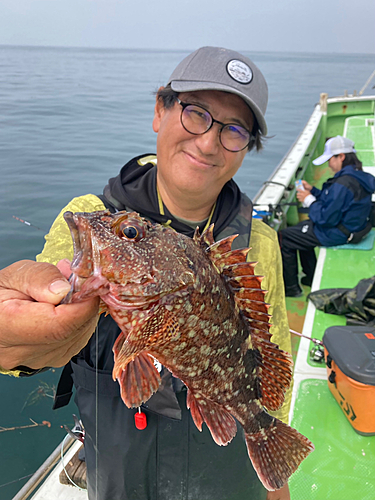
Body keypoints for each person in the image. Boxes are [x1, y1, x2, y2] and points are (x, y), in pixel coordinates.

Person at [2, 47, 292, 500]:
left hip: (227, 475)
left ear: (246, 149)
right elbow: (33, 336)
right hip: (120, 477)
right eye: (197, 113)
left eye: (235, 130)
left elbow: (271, 371)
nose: (209, 142)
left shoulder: (260, 244)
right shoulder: (89, 214)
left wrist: (277, 489)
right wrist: (21, 344)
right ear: (160, 110)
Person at [279, 135, 375, 297]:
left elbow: (325, 218)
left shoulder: (342, 184)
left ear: (341, 157)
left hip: (337, 232)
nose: (329, 165)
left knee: (284, 237)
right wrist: (314, 191)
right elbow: (337, 201)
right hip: (351, 227)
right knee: (300, 233)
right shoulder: (357, 176)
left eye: (330, 159)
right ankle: (310, 277)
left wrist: (309, 200)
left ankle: (291, 289)